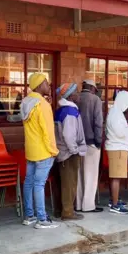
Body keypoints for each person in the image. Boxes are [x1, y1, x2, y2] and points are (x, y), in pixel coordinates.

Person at [20, 73, 59, 229]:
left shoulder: (26, 102)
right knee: (39, 184)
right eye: (45, 83)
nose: (48, 85)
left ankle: (29, 216)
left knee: (29, 182)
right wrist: (53, 150)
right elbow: (47, 131)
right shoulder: (42, 105)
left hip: (31, 149)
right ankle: (42, 219)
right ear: (38, 85)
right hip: (43, 150)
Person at [54, 83, 86, 221]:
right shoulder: (70, 112)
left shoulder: (61, 110)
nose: (79, 95)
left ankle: (60, 210)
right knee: (70, 183)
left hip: (61, 151)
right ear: (71, 96)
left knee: (63, 182)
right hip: (69, 153)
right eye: (76, 92)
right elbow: (69, 135)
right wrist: (75, 150)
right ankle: (68, 212)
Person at [76, 80, 103, 213]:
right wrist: (98, 141)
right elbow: (98, 122)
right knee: (91, 175)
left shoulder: (75, 98)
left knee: (80, 175)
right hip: (91, 141)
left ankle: (79, 205)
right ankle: (88, 205)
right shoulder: (95, 99)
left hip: (77, 143)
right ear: (92, 88)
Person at [106, 90, 128, 214]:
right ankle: (115, 204)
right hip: (117, 148)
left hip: (117, 147)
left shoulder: (115, 112)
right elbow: (120, 133)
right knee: (116, 178)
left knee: (115, 177)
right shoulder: (116, 114)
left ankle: (114, 199)